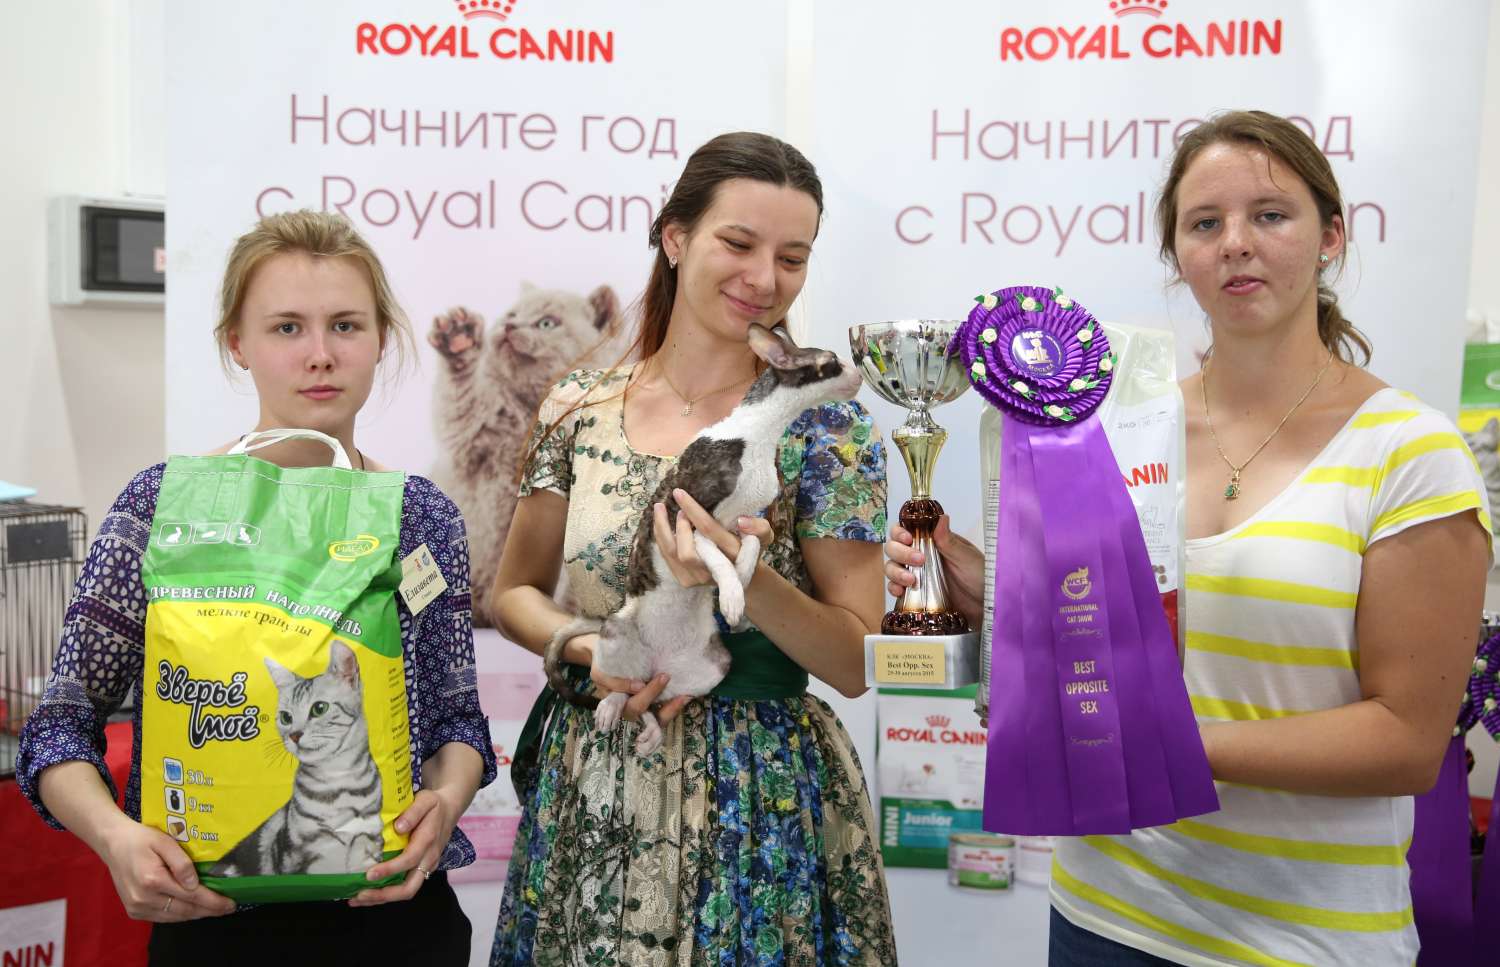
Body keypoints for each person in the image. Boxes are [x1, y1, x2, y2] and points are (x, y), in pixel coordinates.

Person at [886, 110, 1491, 966]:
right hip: (1102, 912)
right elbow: (1095, 634)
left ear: (1332, 237)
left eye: (1270, 215)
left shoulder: (1411, 451)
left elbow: (1405, 741)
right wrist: (987, 595)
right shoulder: (1122, 427)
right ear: (1177, 255)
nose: (1236, 243)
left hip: (1301, 940)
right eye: (1205, 223)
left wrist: (1158, 741)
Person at [16, 211, 497, 965]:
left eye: (346, 325)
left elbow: (455, 722)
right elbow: (58, 728)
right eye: (286, 328)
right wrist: (115, 838)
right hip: (211, 925)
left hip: (397, 926)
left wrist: (447, 801)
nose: (320, 354)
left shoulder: (420, 516)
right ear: (237, 343)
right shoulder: (160, 507)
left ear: (381, 340)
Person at [488, 132, 898, 965]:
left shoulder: (830, 425)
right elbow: (513, 594)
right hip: (597, 781)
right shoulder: (577, 405)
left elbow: (857, 661)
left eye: (792, 257)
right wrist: (594, 647)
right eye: (738, 243)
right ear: (675, 237)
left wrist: (744, 571)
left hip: (760, 799)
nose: (765, 278)